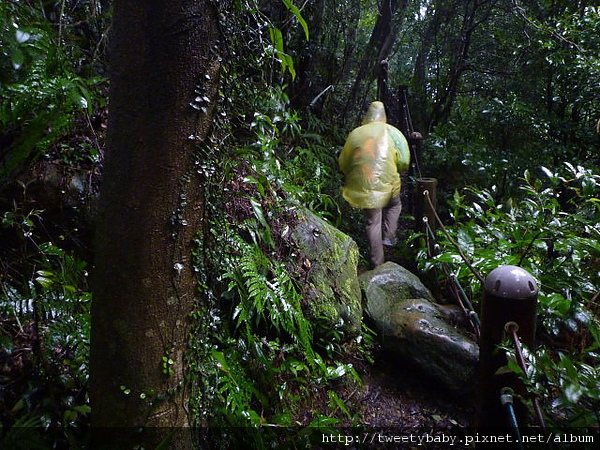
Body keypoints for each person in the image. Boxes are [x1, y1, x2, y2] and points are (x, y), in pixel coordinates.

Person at [338, 101, 410, 267]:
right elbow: (405, 161)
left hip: (365, 186)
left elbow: (343, 162)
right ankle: (389, 236)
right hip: (390, 184)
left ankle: (378, 263)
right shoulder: (393, 132)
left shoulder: (355, 133)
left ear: (367, 116)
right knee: (395, 205)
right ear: (383, 116)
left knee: (373, 222)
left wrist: (353, 173)